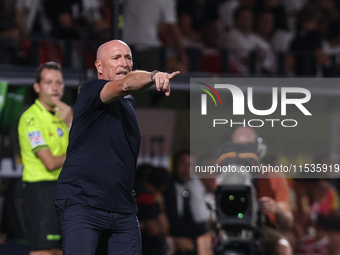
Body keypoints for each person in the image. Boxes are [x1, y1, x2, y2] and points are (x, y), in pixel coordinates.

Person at [54, 39, 180, 255]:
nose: (124, 62)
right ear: (99, 67)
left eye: (128, 57)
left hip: (122, 208)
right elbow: (124, 84)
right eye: (116, 58)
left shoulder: (128, 103)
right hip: (83, 202)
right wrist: (153, 76)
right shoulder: (91, 89)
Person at [18, 61, 73, 255]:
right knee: (43, 251)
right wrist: (77, 157)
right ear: (37, 87)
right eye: (49, 82)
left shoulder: (65, 115)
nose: (55, 87)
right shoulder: (31, 118)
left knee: (61, 250)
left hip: (64, 189)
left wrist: (72, 123)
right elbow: (50, 163)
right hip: (41, 190)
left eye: (59, 82)